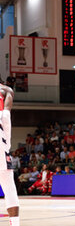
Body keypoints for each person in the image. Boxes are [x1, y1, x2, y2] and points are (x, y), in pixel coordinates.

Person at [0, 83, 20, 226]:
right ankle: (15, 223)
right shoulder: (4, 116)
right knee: (10, 189)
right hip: (2, 152)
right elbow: (10, 93)